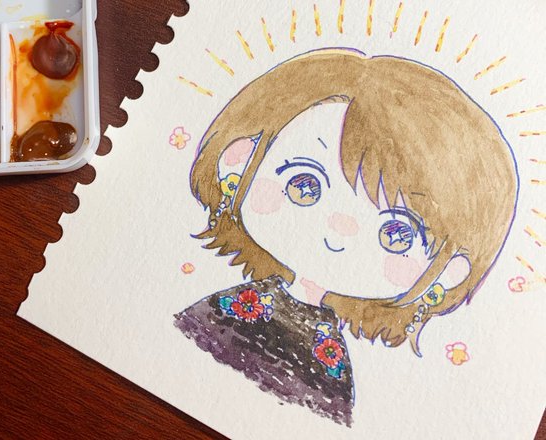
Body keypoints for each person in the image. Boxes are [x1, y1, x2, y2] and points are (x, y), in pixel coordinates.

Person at [174, 49, 518, 426]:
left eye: (395, 234)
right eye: (304, 185)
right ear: (239, 158)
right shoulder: (224, 312)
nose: (339, 227)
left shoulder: (328, 369)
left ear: (450, 271)